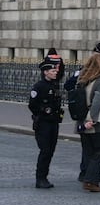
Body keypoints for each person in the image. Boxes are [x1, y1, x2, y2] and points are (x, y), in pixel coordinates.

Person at [77, 51, 100, 193]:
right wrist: (92, 120)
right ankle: (91, 181)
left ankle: (88, 176)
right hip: (95, 124)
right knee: (99, 152)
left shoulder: (82, 80)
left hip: (81, 121)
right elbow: (99, 103)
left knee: (88, 151)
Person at [29, 57, 64, 189]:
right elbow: (32, 105)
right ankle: (40, 178)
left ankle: (45, 176)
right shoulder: (38, 86)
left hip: (53, 122)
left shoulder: (54, 85)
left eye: (55, 70)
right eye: (52, 70)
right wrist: (43, 111)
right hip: (43, 123)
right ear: (45, 72)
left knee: (51, 151)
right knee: (45, 150)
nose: (55, 72)